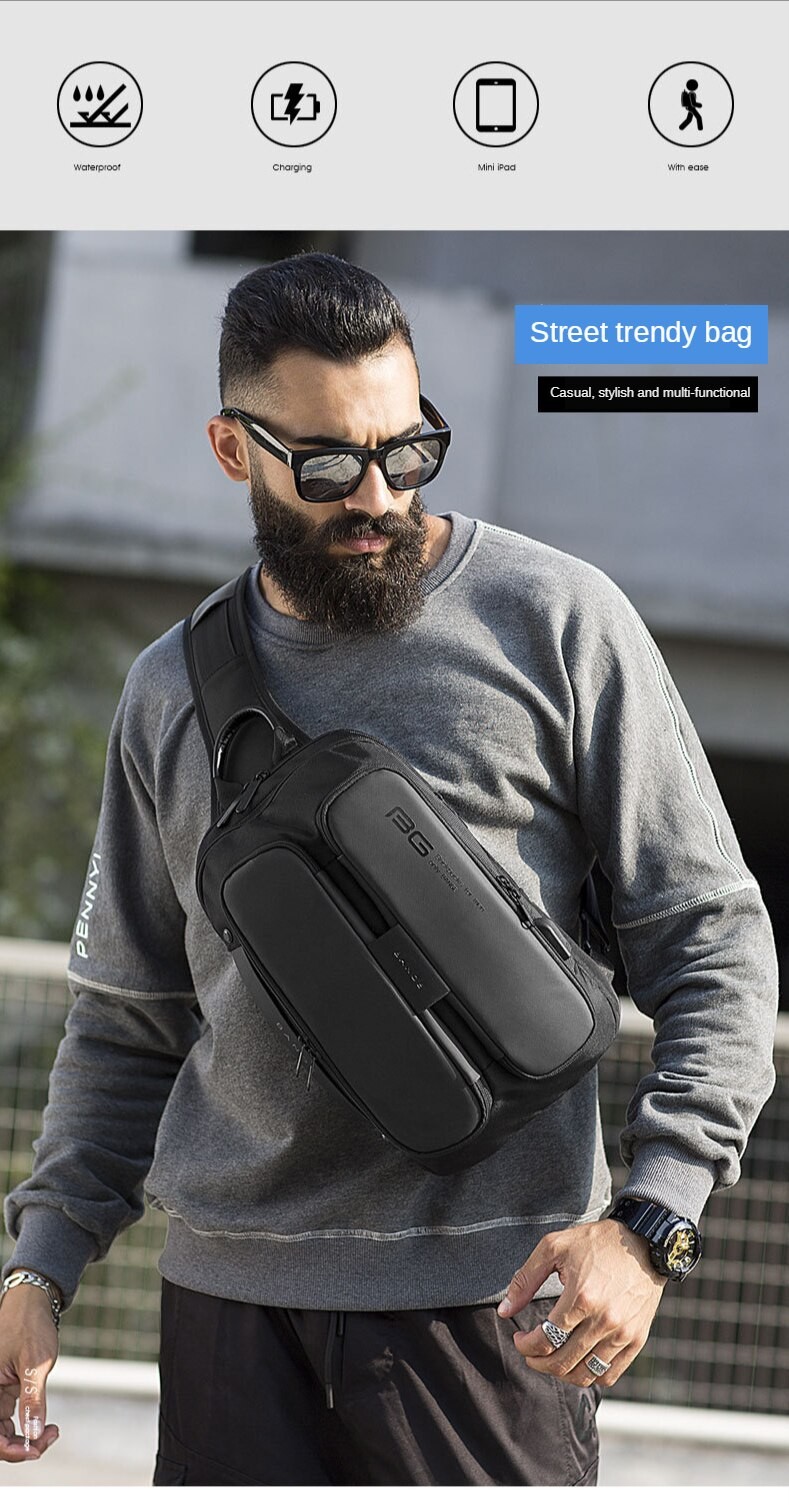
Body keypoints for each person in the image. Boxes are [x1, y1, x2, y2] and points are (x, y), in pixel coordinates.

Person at [0, 254, 778, 1485]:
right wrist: (39, 1265)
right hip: (227, 1315)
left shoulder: (557, 622)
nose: (378, 496)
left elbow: (716, 942)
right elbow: (128, 1018)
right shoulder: (167, 691)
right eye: (326, 466)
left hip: (494, 1309)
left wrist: (651, 1222)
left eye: (407, 449)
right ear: (232, 448)